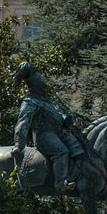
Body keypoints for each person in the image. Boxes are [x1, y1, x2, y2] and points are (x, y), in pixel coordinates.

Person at [13, 60, 76, 191]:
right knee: (62, 151)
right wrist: (19, 145)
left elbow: (57, 116)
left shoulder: (45, 102)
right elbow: (22, 124)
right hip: (43, 136)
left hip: (56, 134)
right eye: (41, 82)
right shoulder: (30, 102)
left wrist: (65, 119)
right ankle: (60, 182)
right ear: (35, 85)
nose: (44, 83)